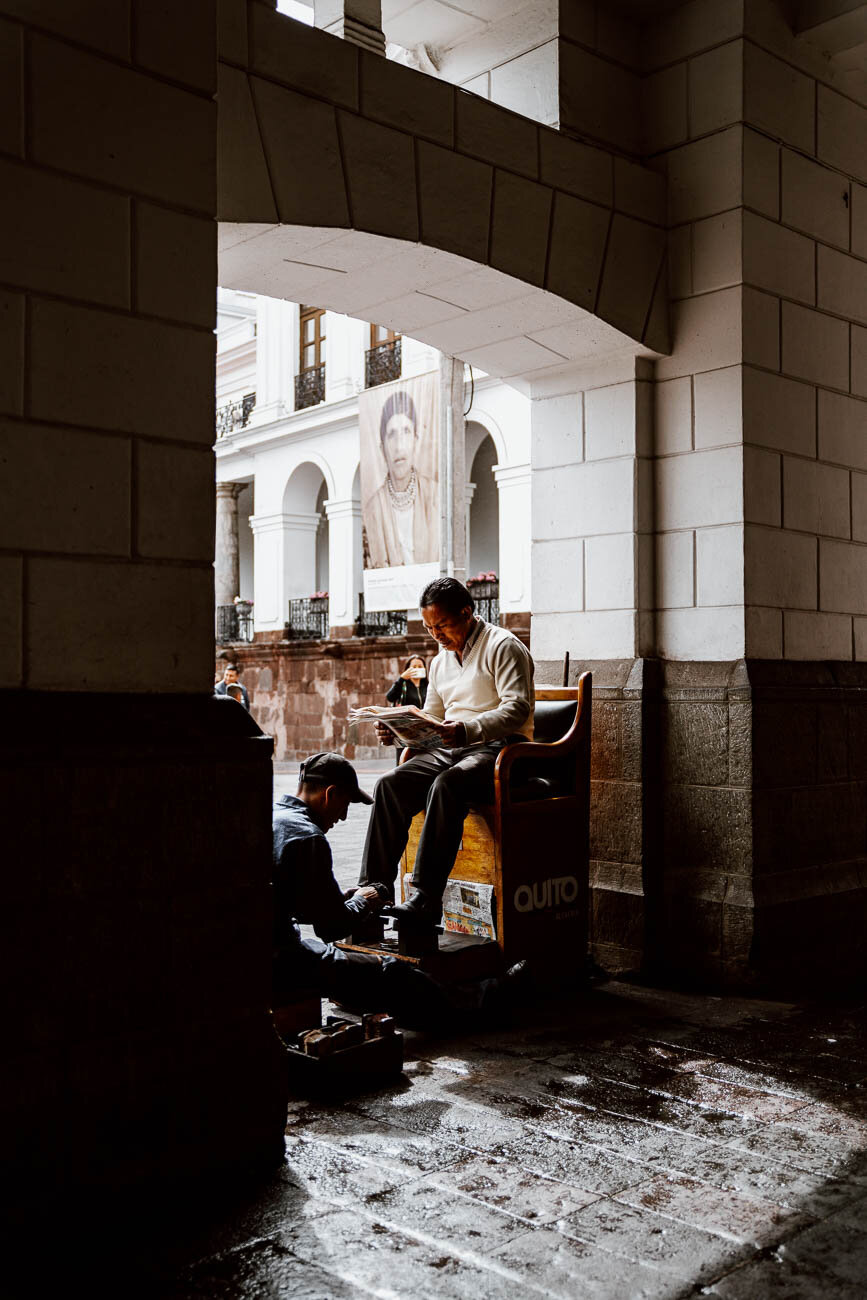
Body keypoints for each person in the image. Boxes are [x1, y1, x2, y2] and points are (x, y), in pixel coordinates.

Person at [273, 751, 530, 1028]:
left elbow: (296, 900)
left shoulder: (271, 817)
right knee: (390, 973)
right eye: (345, 805)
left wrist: (342, 901)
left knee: (358, 973)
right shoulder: (308, 838)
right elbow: (331, 928)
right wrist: (360, 902)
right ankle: (484, 1001)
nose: (344, 817)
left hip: (262, 949)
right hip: (282, 960)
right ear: (330, 794)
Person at [359, 576, 534, 931]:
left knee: (448, 784)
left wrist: (466, 730)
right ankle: (375, 888)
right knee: (390, 784)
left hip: (501, 749)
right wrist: (398, 733)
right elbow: (433, 719)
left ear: (467, 613)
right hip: (453, 747)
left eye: (441, 625)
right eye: (428, 627)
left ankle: (424, 898)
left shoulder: (503, 646)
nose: (435, 634)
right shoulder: (440, 661)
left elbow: (517, 709)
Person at [362, 389, 438, 568]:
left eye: (406, 431)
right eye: (392, 435)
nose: (399, 445)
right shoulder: (372, 508)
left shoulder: (436, 496)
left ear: (416, 440)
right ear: (382, 448)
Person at [386, 654, 428, 765]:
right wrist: (401, 679)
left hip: (424, 730)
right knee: (404, 762)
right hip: (405, 730)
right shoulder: (403, 685)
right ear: (407, 669)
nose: (417, 669)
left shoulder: (428, 685)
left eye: (420, 666)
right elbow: (390, 697)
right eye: (414, 667)